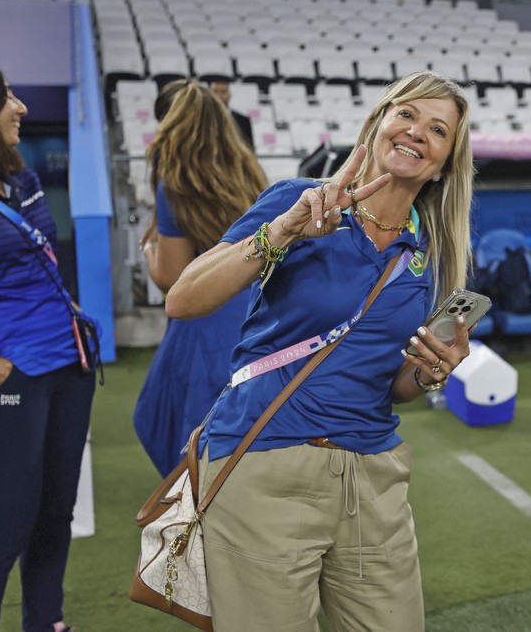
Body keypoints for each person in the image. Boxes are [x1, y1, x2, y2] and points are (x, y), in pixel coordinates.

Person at [164, 70, 475, 631]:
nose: (416, 132)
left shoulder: (434, 252)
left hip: (373, 475)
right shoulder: (296, 200)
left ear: (446, 161)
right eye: (406, 114)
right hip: (262, 463)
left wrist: (431, 373)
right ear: (378, 122)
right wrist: (282, 232)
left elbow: (395, 385)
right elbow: (183, 298)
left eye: (438, 129)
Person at [0, 66, 97, 632]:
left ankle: (45, 621)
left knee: (57, 509)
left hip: (69, 363)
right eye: (7, 97)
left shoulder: (22, 176)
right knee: (8, 517)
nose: (21, 107)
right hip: (14, 375)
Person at [133, 80, 267, 477]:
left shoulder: (175, 183)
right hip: (255, 316)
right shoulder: (250, 174)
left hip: (202, 326)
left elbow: (172, 280)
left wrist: (149, 249)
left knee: (190, 449)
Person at [209, 78, 255, 152]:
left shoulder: (243, 120)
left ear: (229, 95)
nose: (218, 95)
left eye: (223, 92)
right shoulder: (202, 118)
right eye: (215, 92)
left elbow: (250, 149)